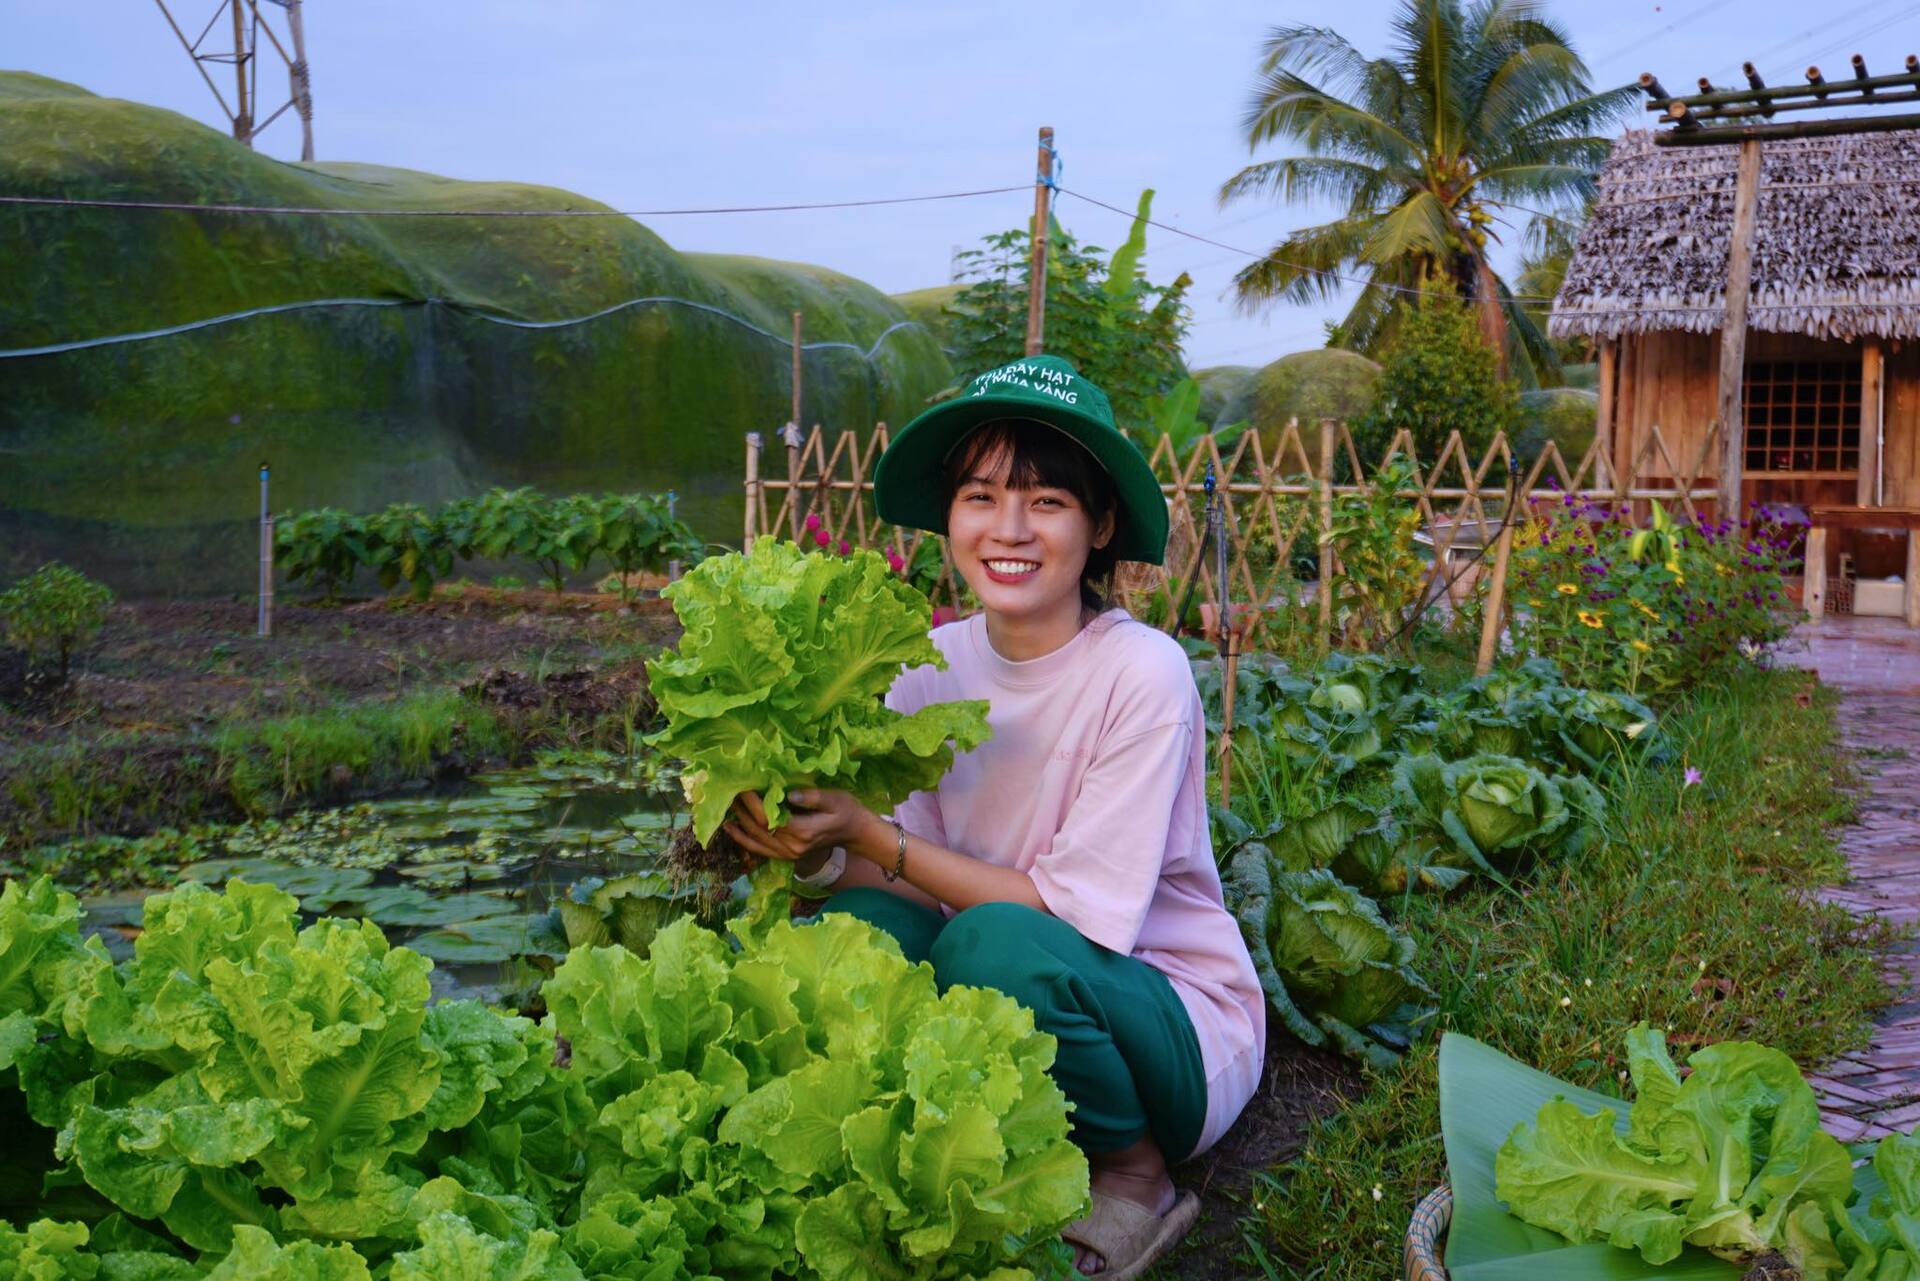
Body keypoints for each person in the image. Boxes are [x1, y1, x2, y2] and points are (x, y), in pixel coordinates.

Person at [722, 354, 1265, 1280]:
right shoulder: (927, 664)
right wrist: (812, 845)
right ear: (950, 518)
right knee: (852, 926)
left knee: (992, 947)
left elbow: (1066, 919)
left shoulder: (1141, 672)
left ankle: (1132, 1173)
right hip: (1007, 983)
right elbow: (902, 874)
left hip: (1163, 1014)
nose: (1008, 528)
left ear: (1097, 527)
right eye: (980, 496)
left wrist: (870, 831)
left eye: (1047, 502)